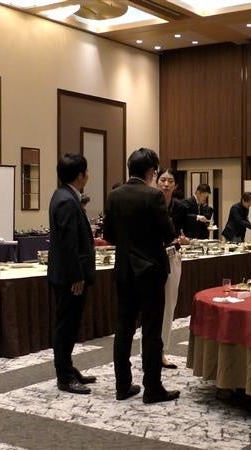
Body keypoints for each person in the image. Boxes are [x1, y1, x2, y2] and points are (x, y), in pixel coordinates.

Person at [104, 148, 179, 404]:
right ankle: (152, 388)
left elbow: (109, 235)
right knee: (151, 330)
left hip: (124, 269)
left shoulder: (114, 195)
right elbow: (168, 233)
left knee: (123, 328)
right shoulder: (153, 195)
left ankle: (122, 385)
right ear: (150, 172)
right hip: (150, 270)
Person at [47, 153, 98, 395]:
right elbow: (69, 244)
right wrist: (77, 275)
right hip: (70, 276)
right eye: (86, 171)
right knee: (65, 325)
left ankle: (67, 367)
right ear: (80, 175)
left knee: (70, 323)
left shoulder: (64, 195)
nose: (88, 175)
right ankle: (64, 376)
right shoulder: (67, 200)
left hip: (68, 273)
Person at [156, 168, 189, 369]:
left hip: (172, 257)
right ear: (156, 182)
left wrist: (184, 239)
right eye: (163, 180)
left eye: (170, 181)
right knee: (152, 307)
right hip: (152, 258)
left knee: (169, 305)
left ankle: (162, 351)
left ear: (175, 185)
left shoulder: (181, 208)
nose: (166, 184)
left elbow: (184, 234)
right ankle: (148, 351)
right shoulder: (150, 203)